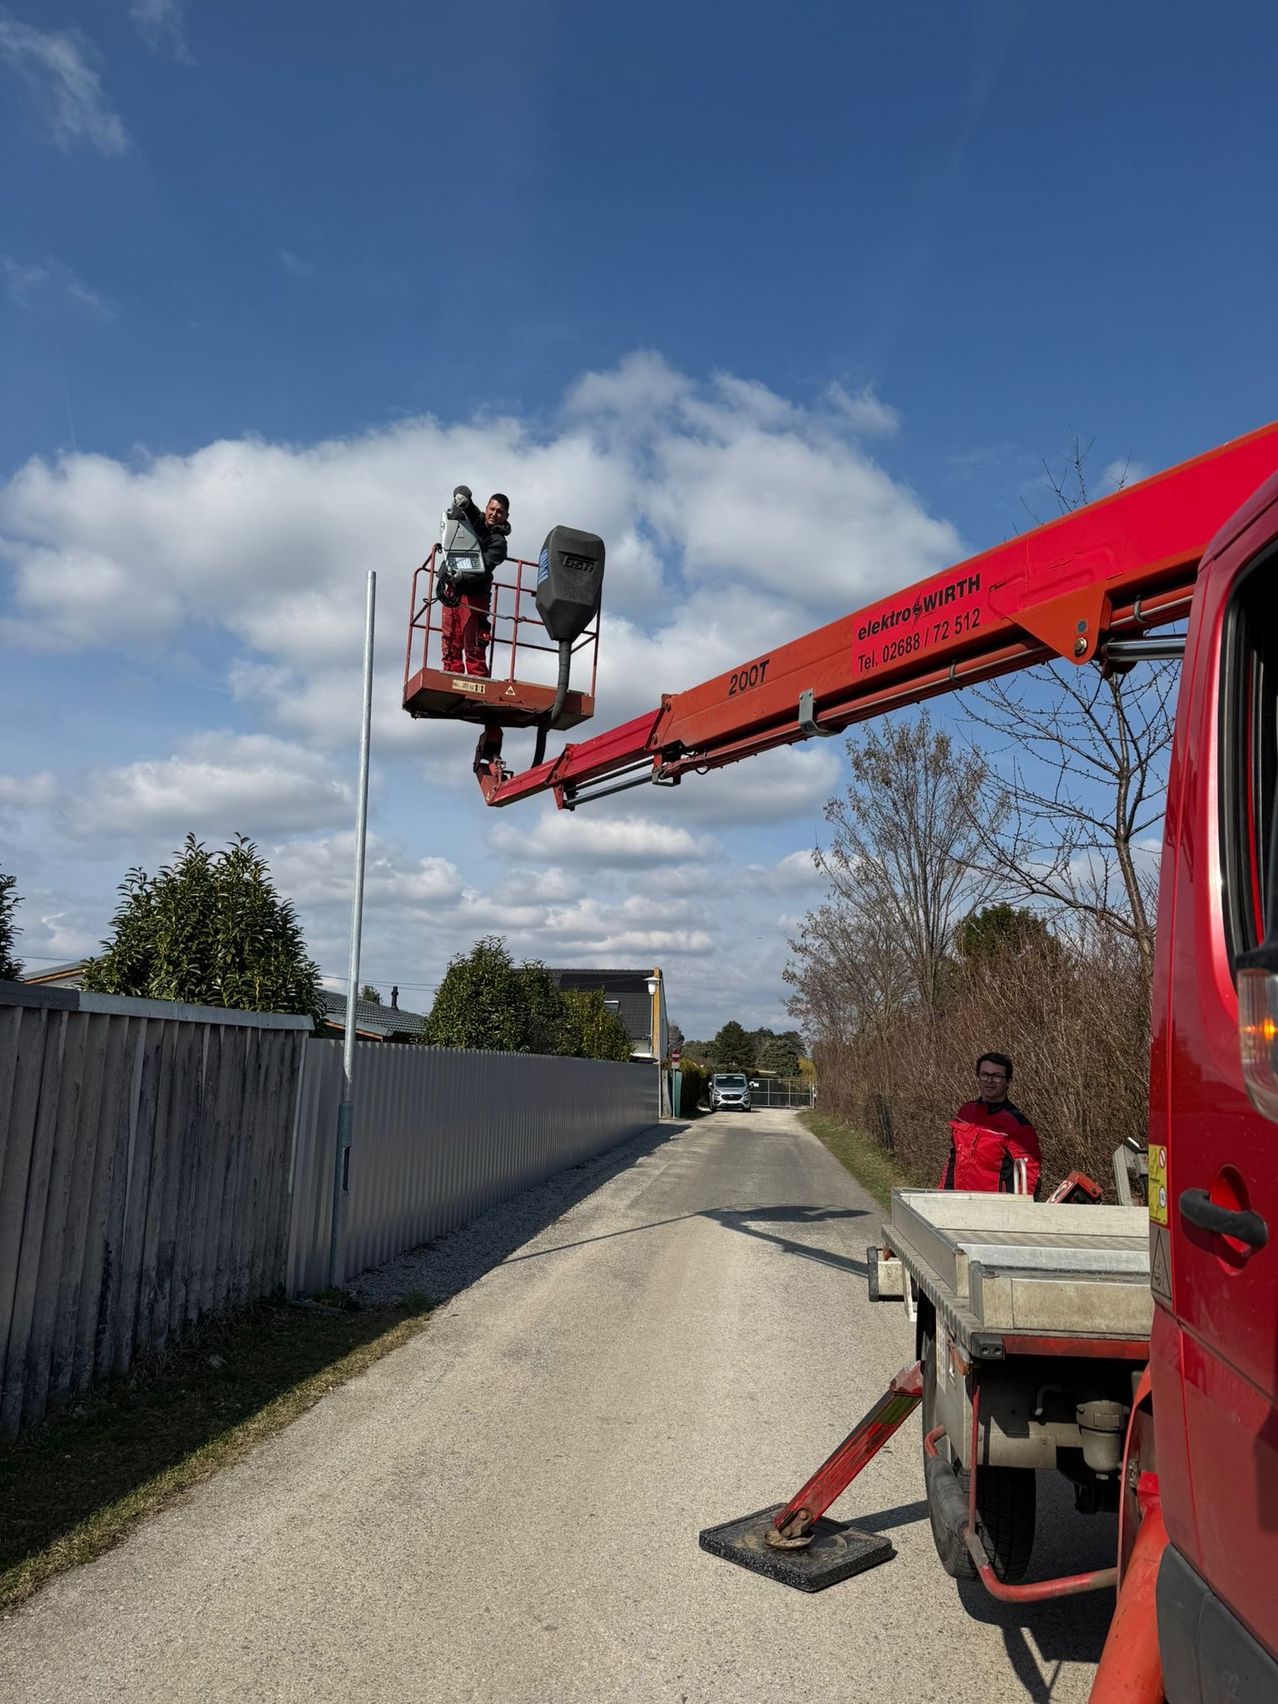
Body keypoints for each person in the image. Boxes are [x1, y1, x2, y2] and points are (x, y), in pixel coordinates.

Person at [939, 1051, 1042, 1196]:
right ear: (978, 1077)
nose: (990, 1080)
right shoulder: (965, 1112)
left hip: (993, 1209)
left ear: (1008, 1081)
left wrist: (1020, 1211)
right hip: (958, 1201)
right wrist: (942, 1194)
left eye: (997, 1076)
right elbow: (953, 1158)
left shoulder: (1018, 1126)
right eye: (985, 1075)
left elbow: (1029, 1176)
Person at [438, 486, 511, 678]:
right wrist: (463, 496)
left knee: (474, 644)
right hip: (452, 592)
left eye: (500, 512)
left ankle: (477, 683)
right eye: (492, 509)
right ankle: (450, 678)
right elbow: (470, 509)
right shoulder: (474, 521)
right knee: (450, 641)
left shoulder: (498, 543)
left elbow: (484, 567)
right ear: (487, 508)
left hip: (475, 596)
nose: (494, 514)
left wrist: (463, 576)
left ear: (506, 516)